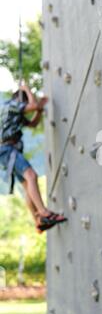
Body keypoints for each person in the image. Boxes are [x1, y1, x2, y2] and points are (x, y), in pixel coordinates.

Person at [0, 83, 67, 233]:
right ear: (19, 99)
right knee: (31, 175)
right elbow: (32, 105)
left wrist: (40, 109)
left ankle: (37, 221)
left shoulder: (14, 112)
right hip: (7, 149)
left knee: (27, 186)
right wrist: (26, 88)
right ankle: (43, 212)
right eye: (24, 101)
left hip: (7, 150)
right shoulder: (11, 105)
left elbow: (33, 124)